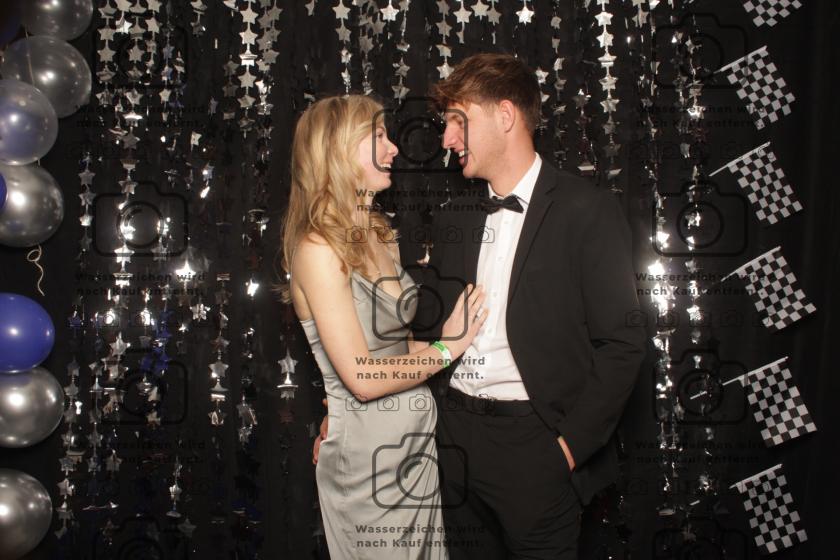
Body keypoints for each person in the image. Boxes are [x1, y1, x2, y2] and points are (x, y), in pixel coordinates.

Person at [316, 54, 647, 558]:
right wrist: (346, 407)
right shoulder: (456, 217)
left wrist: (569, 448)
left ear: (505, 115)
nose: (447, 139)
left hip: (534, 448)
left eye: (457, 120)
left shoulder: (587, 210)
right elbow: (416, 330)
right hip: (447, 440)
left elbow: (622, 344)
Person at [278, 94, 489, 560]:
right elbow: (361, 378)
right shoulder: (317, 250)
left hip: (416, 452)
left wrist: (441, 346)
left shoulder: (381, 234)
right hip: (367, 469)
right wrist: (447, 348)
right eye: (377, 136)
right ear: (337, 150)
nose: (393, 147)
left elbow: (398, 347)